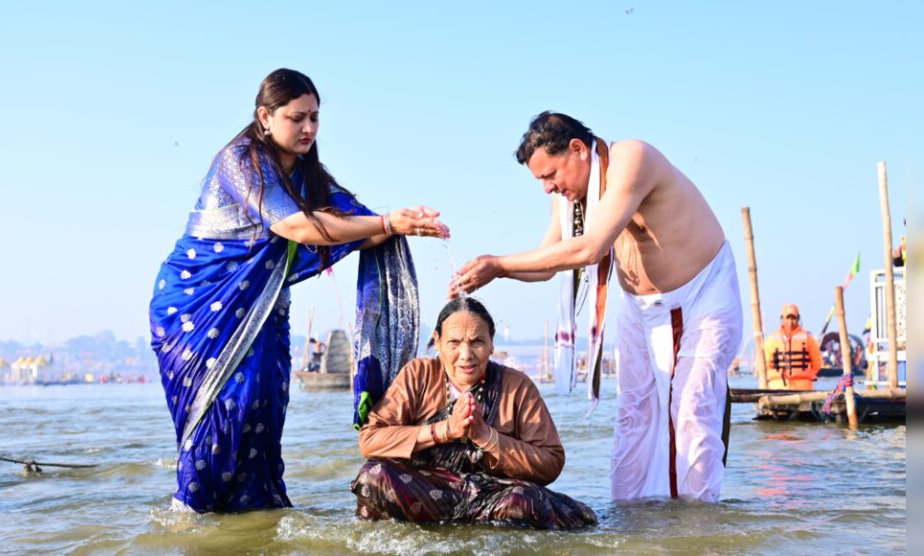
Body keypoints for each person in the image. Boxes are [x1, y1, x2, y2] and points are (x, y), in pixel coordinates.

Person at [149, 69, 449, 513]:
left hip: (264, 310)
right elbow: (295, 225)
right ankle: (191, 516)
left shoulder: (309, 174)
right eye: (297, 118)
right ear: (265, 116)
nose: (308, 128)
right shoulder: (241, 160)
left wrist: (404, 223)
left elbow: (352, 230)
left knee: (263, 410)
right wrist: (388, 222)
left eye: (314, 118)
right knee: (226, 410)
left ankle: (256, 521)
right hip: (197, 308)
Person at [451, 112, 742, 502]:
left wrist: (501, 264)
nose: (547, 188)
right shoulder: (569, 199)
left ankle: (698, 529)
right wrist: (494, 271)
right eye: (541, 180)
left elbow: (590, 248)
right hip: (642, 306)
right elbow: (546, 263)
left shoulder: (632, 159)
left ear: (577, 150)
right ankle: (634, 523)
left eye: (550, 175)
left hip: (703, 293)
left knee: (692, 411)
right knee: (633, 419)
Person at [351, 297, 597, 530]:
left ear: (492, 343)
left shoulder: (517, 386)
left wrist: (486, 436)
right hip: (428, 492)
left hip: (492, 498)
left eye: (477, 342)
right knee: (373, 477)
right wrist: (444, 430)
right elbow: (370, 440)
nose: (466, 355)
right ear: (436, 343)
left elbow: (551, 463)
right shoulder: (418, 374)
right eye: (454, 343)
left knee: (524, 500)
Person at [765, 304, 823, 390]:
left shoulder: (808, 338)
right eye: (787, 318)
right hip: (777, 387)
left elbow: (817, 362)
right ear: (782, 319)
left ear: (798, 319)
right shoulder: (772, 339)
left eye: (793, 318)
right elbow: (765, 363)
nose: (790, 322)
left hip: (803, 387)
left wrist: (805, 374)